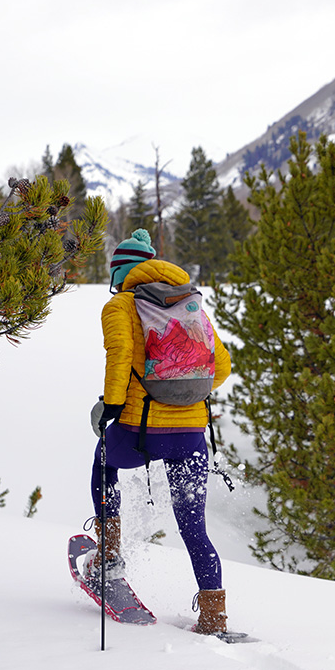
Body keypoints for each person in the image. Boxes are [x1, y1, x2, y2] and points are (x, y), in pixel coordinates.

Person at [86, 228, 233, 635]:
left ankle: (108, 560)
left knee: (103, 463)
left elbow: (119, 358)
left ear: (121, 273)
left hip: (140, 430)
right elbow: (221, 367)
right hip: (191, 436)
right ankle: (214, 616)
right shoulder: (190, 303)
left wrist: (111, 406)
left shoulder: (121, 305)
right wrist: (182, 391)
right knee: (194, 528)